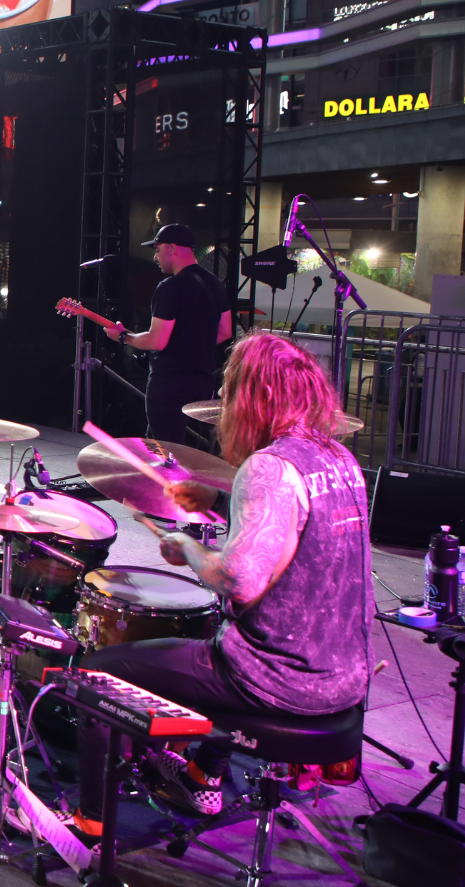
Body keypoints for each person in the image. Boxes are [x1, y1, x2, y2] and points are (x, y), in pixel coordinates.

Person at [73, 332, 369, 833]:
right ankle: (200, 775)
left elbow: (238, 580)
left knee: (97, 672)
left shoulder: (269, 467)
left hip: (278, 680)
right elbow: (297, 534)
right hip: (344, 677)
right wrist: (215, 498)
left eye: (230, 392)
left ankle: (91, 824)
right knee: (219, 638)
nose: (225, 406)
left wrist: (187, 548)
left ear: (254, 398)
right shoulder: (340, 460)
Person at [107, 223, 232, 442]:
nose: (155, 257)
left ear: (172, 248)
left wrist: (123, 336)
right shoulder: (214, 284)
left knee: (165, 448)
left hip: (169, 384)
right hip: (202, 381)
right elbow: (225, 331)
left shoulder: (169, 287)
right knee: (165, 444)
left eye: (157, 250)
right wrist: (191, 345)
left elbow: (156, 340)